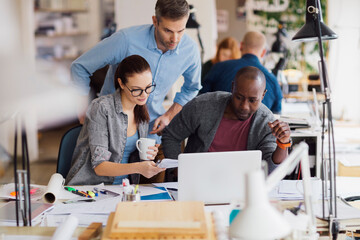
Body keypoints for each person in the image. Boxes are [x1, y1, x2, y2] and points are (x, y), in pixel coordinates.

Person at [71, 0, 201, 143]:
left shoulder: (190, 50)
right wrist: (82, 109)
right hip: (109, 128)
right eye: (168, 30)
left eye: (181, 30)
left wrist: (169, 116)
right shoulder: (126, 40)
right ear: (155, 21)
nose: (175, 39)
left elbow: (192, 88)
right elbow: (80, 67)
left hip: (150, 132)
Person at [162, 66, 291, 181]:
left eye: (252, 100)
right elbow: (171, 135)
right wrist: (177, 167)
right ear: (232, 87)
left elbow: (272, 172)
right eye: (239, 97)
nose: (244, 106)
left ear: (263, 96)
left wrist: (283, 144)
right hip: (197, 183)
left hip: (242, 188)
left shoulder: (265, 121)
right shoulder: (202, 105)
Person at [66, 55, 165, 185]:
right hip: (92, 188)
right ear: (121, 83)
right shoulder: (101, 108)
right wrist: (139, 168)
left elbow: (131, 156)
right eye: (136, 90)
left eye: (148, 87)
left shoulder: (140, 111)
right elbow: (99, 167)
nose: (144, 95)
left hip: (125, 187)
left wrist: (148, 154)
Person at [199, 31, 283, 114]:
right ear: (263, 52)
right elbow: (276, 116)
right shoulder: (273, 81)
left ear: (241, 46)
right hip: (257, 127)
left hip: (218, 125)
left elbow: (202, 99)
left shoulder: (218, 67)